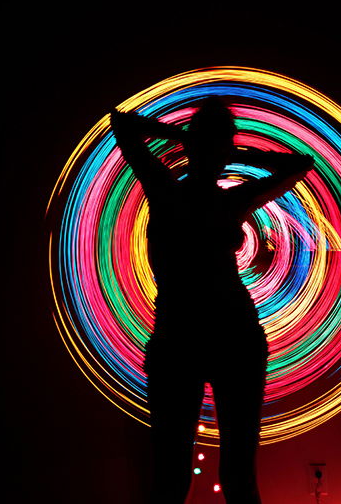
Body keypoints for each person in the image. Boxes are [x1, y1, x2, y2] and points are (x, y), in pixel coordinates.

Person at [110, 97, 313, 504]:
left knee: (195, 478)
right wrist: (207, 143)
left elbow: (301, 165)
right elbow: (120, 124)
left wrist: (212, 145)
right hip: (199, 339)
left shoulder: (192, 194)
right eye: (218, 143)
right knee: (200, 478)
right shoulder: (177, 191)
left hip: (208, 337)